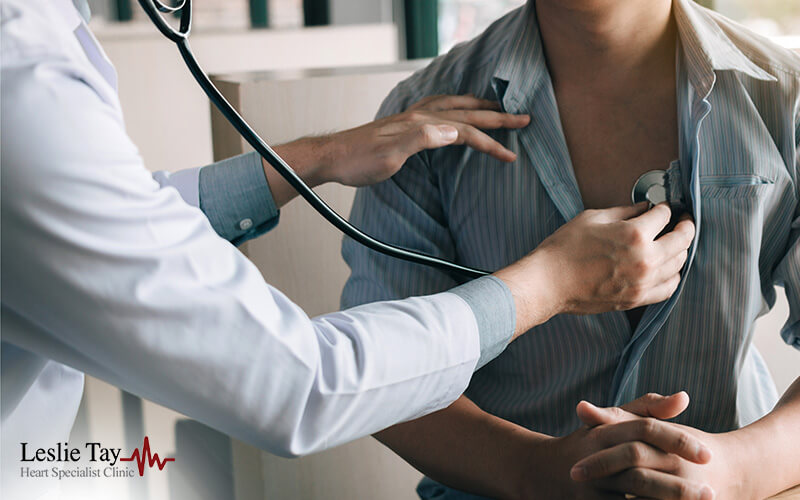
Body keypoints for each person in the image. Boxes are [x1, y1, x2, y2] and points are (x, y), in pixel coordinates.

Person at [0, 0, 700, 498]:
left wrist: (320, 157)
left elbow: (110, 228)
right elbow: (301, 384)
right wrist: (547, 285)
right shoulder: (20, 82)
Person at [341, 0, 800, 498]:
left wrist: (735, 469)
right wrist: (531, 469)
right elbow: (382, 379)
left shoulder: (786, 96)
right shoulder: (421, 119)